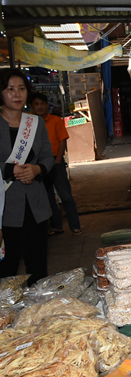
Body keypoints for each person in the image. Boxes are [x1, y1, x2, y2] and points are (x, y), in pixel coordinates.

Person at [0, 68, 54, 285]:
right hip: (5, 209)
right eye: (10, 89)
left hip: (36, 206)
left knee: (38, 267)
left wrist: (37, 169)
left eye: (21, 88)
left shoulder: (35, 123)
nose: (17, 94)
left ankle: (38, 313)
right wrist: (9, 170)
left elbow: (49, 157)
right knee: (7, 267)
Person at [30, 92, 82, 236]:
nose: (39, 107)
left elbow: (62, 140)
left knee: (65, 195)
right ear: (31, 106)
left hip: (55, 160)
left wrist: (58, 160)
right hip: (38, 164)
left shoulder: (56, 121)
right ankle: (57, 226)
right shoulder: (29, 122)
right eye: (36, 104)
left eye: (42, 104)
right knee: (48, 197)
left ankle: (75, 226)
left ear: (47, 105)